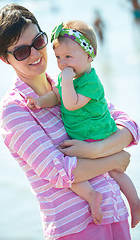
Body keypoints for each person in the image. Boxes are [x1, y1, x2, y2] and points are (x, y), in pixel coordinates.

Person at [0, 3, 139, 240]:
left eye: (38, 42)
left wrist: (96, 149)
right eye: (21, 51)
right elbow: (59, 172)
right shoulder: (14, 110)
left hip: (115, 212)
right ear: (4, 58)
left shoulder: (70, 82)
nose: (35, 54)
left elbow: (127, 125)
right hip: (77, 227)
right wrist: (115, 158)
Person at [26, 20, 140, 228]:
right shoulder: (67, 78)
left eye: (68, 57)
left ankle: (134, 201)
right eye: (59, 57)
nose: (62, 63)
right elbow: (58, 96)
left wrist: (66, 81)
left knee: (107, 171)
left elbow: (70, 104)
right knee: (73, 171)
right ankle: (93, 196)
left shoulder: (90, 82)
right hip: (84, 136)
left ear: (89, 56)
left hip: (97, 134)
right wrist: (42, 101)